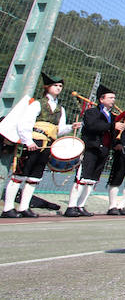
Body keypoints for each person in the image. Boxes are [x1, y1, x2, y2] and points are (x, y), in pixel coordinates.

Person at [0, 72, 79, 218]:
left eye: (60, 86)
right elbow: (25, 123)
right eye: (55, 85)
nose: (58, 88)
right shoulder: (37, 104)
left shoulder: (60, 109)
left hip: (48, 143)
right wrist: (28, 141)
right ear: (47, 87)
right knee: (20, 174)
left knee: (34, 177)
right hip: (33, 141)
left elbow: (59, 129)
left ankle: (24, 207)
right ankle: (8, 208)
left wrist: (71, 127)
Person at [65, 84, 123, 217]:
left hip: (104, 150)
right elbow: (93, 126)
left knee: (92, 179)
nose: (113, 100)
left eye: (114, 98)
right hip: (91, 148)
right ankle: (71, 206)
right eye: (110, 97)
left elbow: (112, 132)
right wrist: (112, 125)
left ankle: (80, 205)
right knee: (82, 177)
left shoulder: (112, 116)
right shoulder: (92, 112)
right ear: (101, 99)